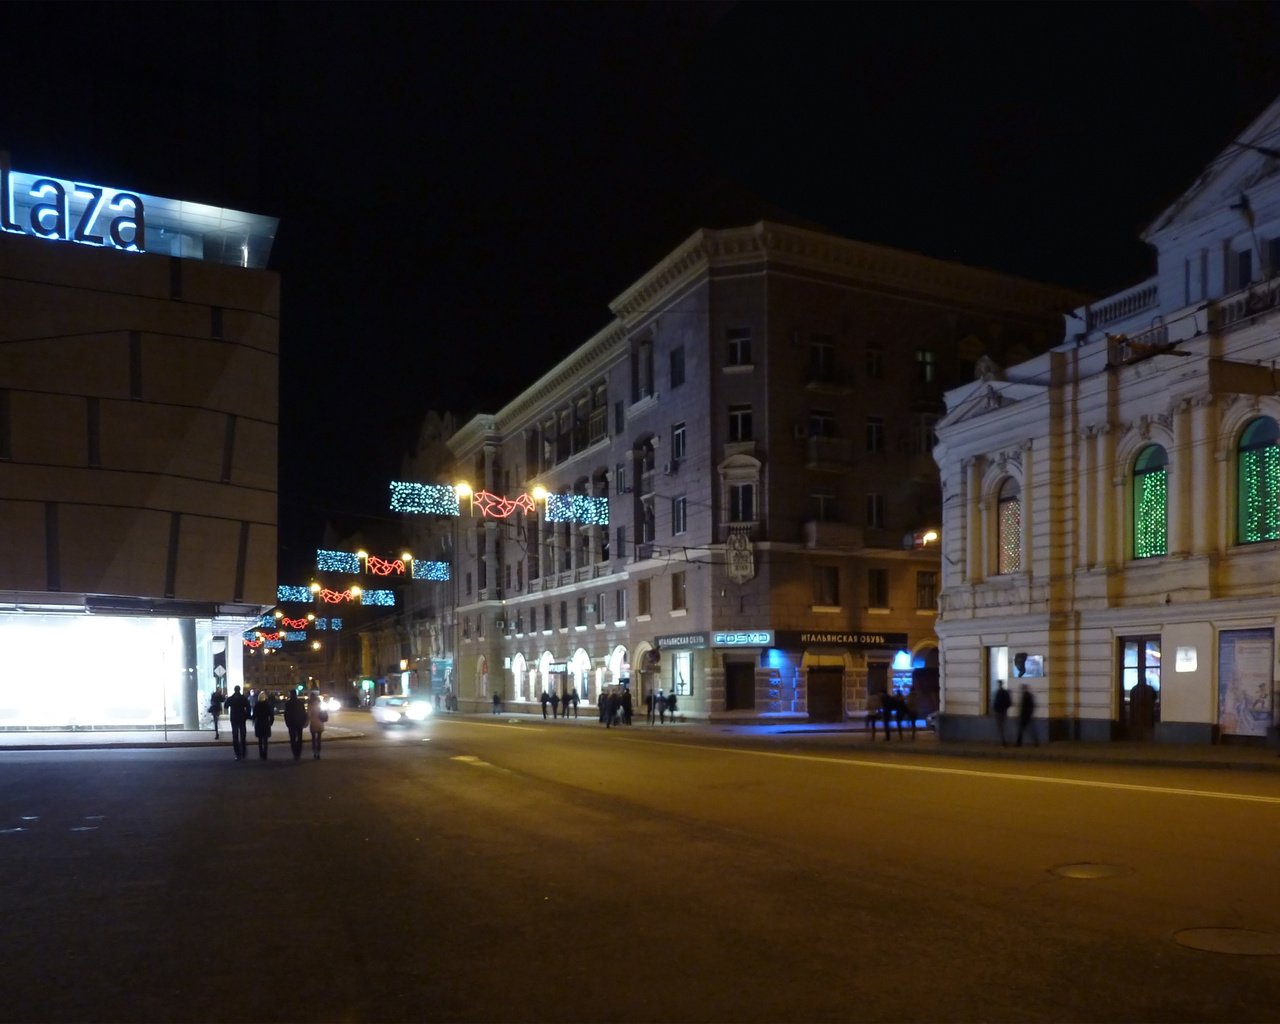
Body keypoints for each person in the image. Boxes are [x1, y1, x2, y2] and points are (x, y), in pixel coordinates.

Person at [225, 685, 250, 760]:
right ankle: (243, 752)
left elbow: (225, 706)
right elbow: (248, 707)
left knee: (235, 736)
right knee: (243, 736)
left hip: (234, 718)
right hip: (242, 718)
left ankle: (237, 753)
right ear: (239, 690)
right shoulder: (243, 698)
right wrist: (247, 715)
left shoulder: (231, 698)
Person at [283, 690, 307, 760]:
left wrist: (287, 723)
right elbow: (303, 713)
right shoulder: (300, 703)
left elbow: (286, 714)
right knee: (299, 738)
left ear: (290, 695)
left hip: (291, 723)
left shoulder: (288, 703)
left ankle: (294, 753)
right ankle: (298, 752)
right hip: (299, 723)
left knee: (292, 739)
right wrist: (303, 722)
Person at [252, 691, 275, 759]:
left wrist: (250, 718)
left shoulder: (257, 705)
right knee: (265, 740)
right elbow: (271, 715)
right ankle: (265, 754)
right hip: (265, 723)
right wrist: (270, 723)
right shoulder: (267, 704)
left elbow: (254, 715)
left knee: (260, 740)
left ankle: (261, 753)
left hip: (259, 723)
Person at [1016, 683, 1039, 747]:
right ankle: (1036, 742)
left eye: (1023, 688)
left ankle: (1019, 743)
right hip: (1027, 715)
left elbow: (1026, 706)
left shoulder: (1026, 696)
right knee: (1030, 729)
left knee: (1022, 729)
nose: (1022, 689)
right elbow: (1032, 706)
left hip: (1025, 716)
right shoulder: (1028, 695)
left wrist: (1023, 713)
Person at [308, 689, 328, 759]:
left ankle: (314, 753)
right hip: (320, 724)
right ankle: (318, 753)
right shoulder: (320, 705)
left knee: (313, 739)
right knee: (319, 739)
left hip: (313, 724)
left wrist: (305, 723)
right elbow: (324, 714)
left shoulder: (310, 706)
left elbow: (309, 716)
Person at [992, 680, 1012, 746]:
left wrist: (995, 709)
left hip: (999, 712)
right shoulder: (1005, 692)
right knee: (1002, 727)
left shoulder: (999, 692)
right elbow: (1009, 703)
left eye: (998, 684)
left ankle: (1003, 742)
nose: (998, 685)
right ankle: (1003, 741)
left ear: (999, 684)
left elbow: (995, 703)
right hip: (1003, 712)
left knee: (1001, 728)